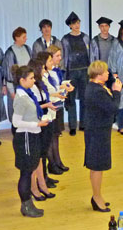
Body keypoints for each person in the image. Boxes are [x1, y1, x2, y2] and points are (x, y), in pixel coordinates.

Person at [11, 65, 49, 218]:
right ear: (22, 80)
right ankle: (25, 206)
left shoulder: (27, 94)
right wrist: (36, 124)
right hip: (25, 137)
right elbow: (16, 122)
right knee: (26, 173)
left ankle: (29, 204)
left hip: (32, 135)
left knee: (29, 170)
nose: (34, 80)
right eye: (31, 78)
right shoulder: (21, 98)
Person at [84, 60, 122, 212]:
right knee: (97, 166)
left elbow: (111, 77)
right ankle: (96, 197)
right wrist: (117, 92)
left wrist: (113, 81)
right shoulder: (97, 91)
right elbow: (113, 107)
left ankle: (98, 195)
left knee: (97, 166)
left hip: (98, 130)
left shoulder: (96, 86)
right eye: (105, 71)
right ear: (99, 74)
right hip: (97, 132)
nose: (108, 73)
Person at [27, 55, 58, 202]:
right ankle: (34, 187)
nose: (44, 70)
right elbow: (33, 106)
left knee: (41, 155)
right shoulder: (31, 87)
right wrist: (47, 105)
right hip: (37, 123)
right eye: (42, 69)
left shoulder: (40, 84)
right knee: (36, 157)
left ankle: (42, 184)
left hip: (46, 120)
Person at [61, 11, 91, 135]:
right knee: (71, 99)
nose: (77, 25)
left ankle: (83, 124)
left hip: (85, 71)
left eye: (78, 23)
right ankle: (72, 126)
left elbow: (91, 55)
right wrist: (64, 74)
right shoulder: (65, 39)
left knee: (84, 99)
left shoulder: (85, 37)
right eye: (74, 23)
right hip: (71, 72)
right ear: (70, 25)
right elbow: (64, 57)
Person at [46, 45, 74, 175]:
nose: (60, 58)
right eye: (57, 55)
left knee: (56, 135)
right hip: (51, 106)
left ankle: (58, 161)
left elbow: (59, 84)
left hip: (59, 105)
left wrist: (65, 86)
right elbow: (50, 90)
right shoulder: (46, 73)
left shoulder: (56, 70)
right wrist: (61, 89)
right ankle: (51, 163)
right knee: (50, 136)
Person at [3, 27, 32, 131]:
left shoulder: (27, 49)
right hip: (16, 87)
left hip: (28, 86)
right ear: (17, 38)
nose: (26, 39)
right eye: (24, 37)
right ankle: (16, 132)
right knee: (16, 111)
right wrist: (11, 91)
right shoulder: (10, 52)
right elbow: (8, 73)